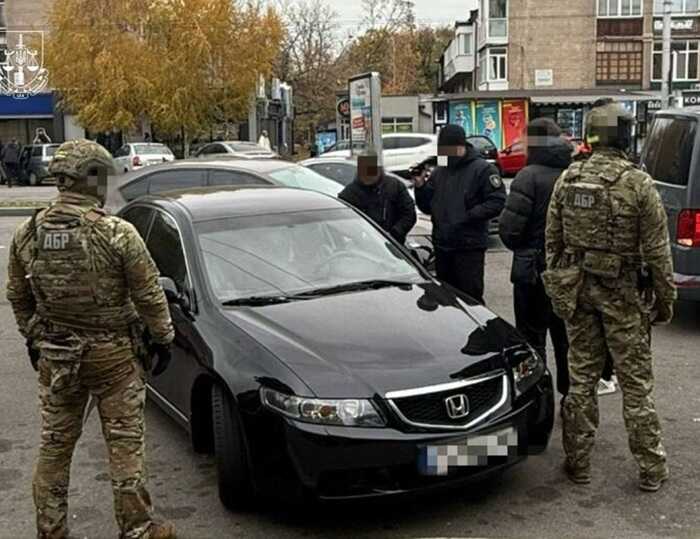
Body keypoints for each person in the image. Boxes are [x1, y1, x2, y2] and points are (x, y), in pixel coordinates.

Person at [6, 140, 177, 538]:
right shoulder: (117, 233)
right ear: (90, 179)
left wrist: (35, 337)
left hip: (57, 358)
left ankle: (51, 530)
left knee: (54, 447)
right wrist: (163, 338)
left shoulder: (28, 232)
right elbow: (149, 294)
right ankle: (137, 529)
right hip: (113, 357)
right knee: (124, 446)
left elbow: (18, 296)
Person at [543, 102, 676, 492]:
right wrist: (665, 302)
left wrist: (561, 283)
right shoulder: (637, 184)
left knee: (581, 377)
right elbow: (658, 253)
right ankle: (651, 469)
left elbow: (552, 240)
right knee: (635, 384)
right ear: (625, 134)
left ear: (591, 135)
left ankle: (578, 462)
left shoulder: (568, 179)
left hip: (579, 292)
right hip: (623, 296)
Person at [498, 118, 572, 398]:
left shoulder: (528, 176)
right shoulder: (574, 173)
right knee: (566, 340)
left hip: (532, 272)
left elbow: (509, 230)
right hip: (569, 272)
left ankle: (539, 400)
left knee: (531, 340)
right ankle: (571, 399)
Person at [414, 123, 505, 304]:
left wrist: (468, 215)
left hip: (468, 247)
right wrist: (420, 187)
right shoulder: (440, 171)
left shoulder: (482, 169)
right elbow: (427, 207)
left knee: (470, 300)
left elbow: (497, 201)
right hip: (442, 246)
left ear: (460, 146)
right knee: (446, 299)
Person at [339, 154, 417, 244]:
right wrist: (360, 237)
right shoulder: (349, 193)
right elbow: (343, 224)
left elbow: (409, 213)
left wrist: (395, 233)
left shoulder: (394, 186)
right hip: (364, 245)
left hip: (393, 245)